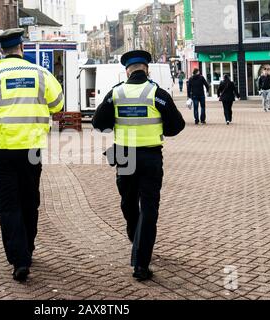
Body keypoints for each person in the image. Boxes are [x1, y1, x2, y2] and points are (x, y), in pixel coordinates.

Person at [0, 28, 64, 282]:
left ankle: (19, 259)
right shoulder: (40, 74)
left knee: (8, 204)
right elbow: (58, 104)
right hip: (31, 150)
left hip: (2, 151)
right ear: (22, 48)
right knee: (30, 200)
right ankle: (27, 248)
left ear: (0, 50)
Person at [92, 50, 185, 281]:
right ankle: (141, 263)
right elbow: (177, 125)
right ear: (147, 69)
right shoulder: (158, 93)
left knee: (128, 202)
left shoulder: (116, 93)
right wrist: (159, 128)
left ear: (127, 71)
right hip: (150, 156)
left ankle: (136, 239)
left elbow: (98, 124)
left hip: (124, 156)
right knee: (149, 208)